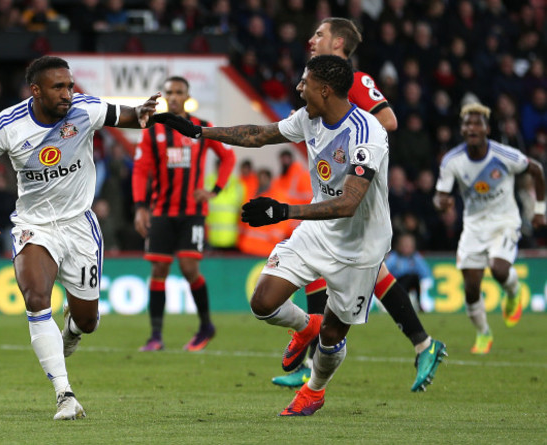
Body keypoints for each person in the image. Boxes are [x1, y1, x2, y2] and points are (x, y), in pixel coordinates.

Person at [155, 54, 392, 416]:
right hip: (318, 231)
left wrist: (284, 210)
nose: (298, 89)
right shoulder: (310, 118)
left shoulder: (367, 134)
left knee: (333, 337)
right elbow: (259, 134)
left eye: (305, 83)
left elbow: (348, 204)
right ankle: (304, 326)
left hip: (361, 246)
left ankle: (314, 390)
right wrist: (200, 132)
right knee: (263, 302)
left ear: (325, 90)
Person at [0, 56, 160, 420]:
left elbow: (127, 117)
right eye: (58, 87)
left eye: (69, 85)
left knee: (88, 321)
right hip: (35, 226)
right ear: (36, 90)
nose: (68, 93)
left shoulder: (85, 108)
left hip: (79, 226)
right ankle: (65, 395)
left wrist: (143, 113)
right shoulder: (8, 125)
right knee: (36, 298)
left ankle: (71, 330)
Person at [271, 17, 446, 391]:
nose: (311, 38)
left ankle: (420, 344)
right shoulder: (319, 80)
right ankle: (422, 344)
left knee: (356, 269)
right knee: (360, 272)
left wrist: (352, 146)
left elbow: (388, 120)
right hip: (336, 197)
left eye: (318, 34)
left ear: (338, 42)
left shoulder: (356, 80)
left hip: (360, 192)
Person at [132, 76, 236, 352]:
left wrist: (215, 190)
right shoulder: (152, 131)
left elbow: (228, 156)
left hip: (192, 212)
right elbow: (140, 170)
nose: (175, 97)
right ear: (164, 97)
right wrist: (140, 207)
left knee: (190, 268)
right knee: (159, 269)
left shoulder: (201, 128)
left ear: (187, 96)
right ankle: (155, 336)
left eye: (179, 92)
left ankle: (206, 326)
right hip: (162, 211)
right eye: (170, 93)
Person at [434, 102, 546, 354]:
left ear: (486, 129)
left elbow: (537, 170)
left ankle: (513, 291)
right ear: (462, 130)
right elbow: (439, 196)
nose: (472, 128)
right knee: (471, 287)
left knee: (498, 268)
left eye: (477, 123)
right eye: (467, 124)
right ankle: (484, 333)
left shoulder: (505, 155)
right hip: (473, 227)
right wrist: (442, 203)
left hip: (504, 222)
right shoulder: (452, 161)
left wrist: (539, 211)